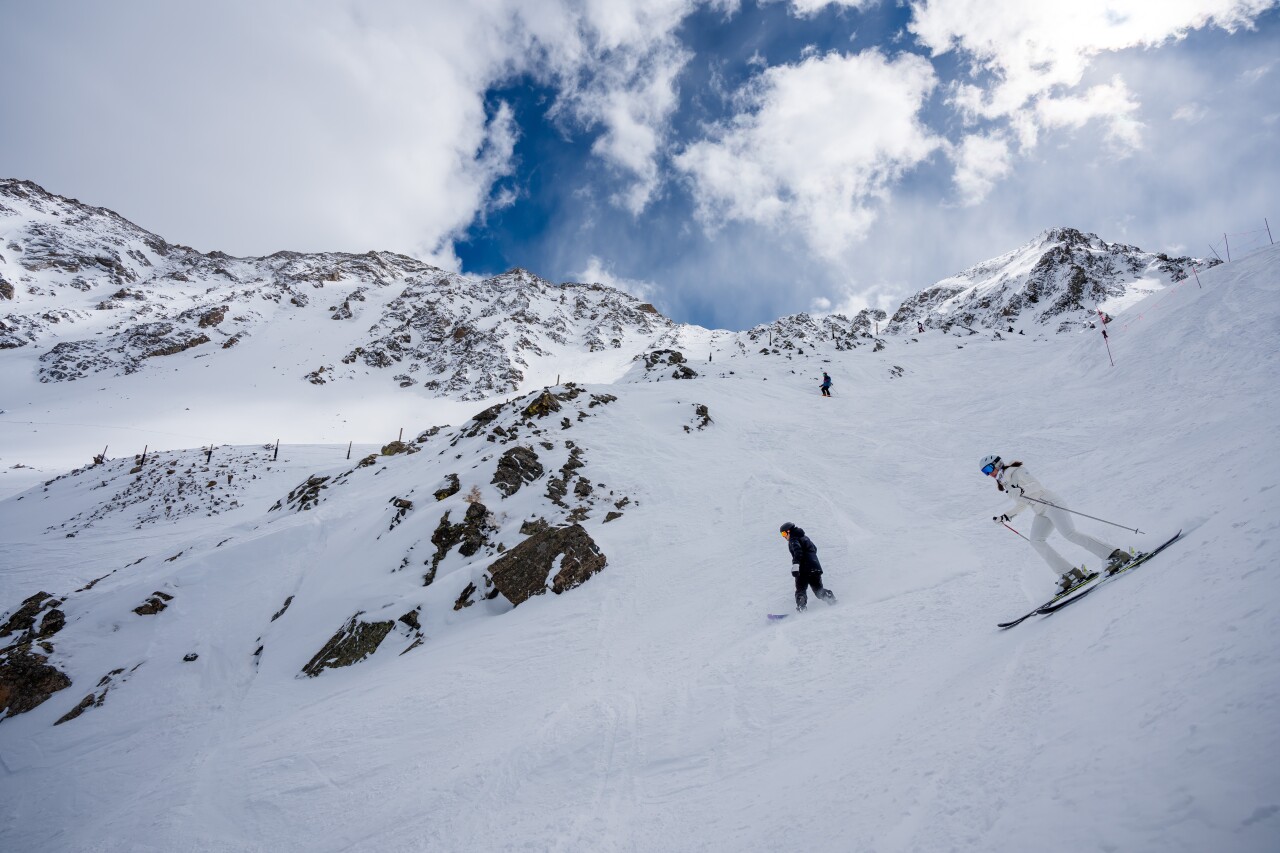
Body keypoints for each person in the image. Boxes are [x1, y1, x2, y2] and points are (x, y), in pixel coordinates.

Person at [979, 454, 1132, 594]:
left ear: (997, 464)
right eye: (985, 472)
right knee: (1036, 540)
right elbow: (1022, 504)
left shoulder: (1017, 471)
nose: (989, 473)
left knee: (1069, 534)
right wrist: (1006, 516)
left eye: (988, 468)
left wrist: (1021, 489)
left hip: (1051, 503)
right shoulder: (1006, 483)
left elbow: (1037, 485)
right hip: (1040, 511)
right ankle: (1069, 573)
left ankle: (1115, 556)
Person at [779, 522, 837, 611]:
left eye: (784, 533)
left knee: (800, 590)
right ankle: (830, 598)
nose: (783, 536)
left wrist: (796, 565)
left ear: (789, 531)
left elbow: (798, 552)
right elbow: (814, 548)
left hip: (803, 569)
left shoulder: (793, 539)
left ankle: (801, 607)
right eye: (781, 534)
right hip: (815, 568)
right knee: (818, 591)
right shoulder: (805, 538)